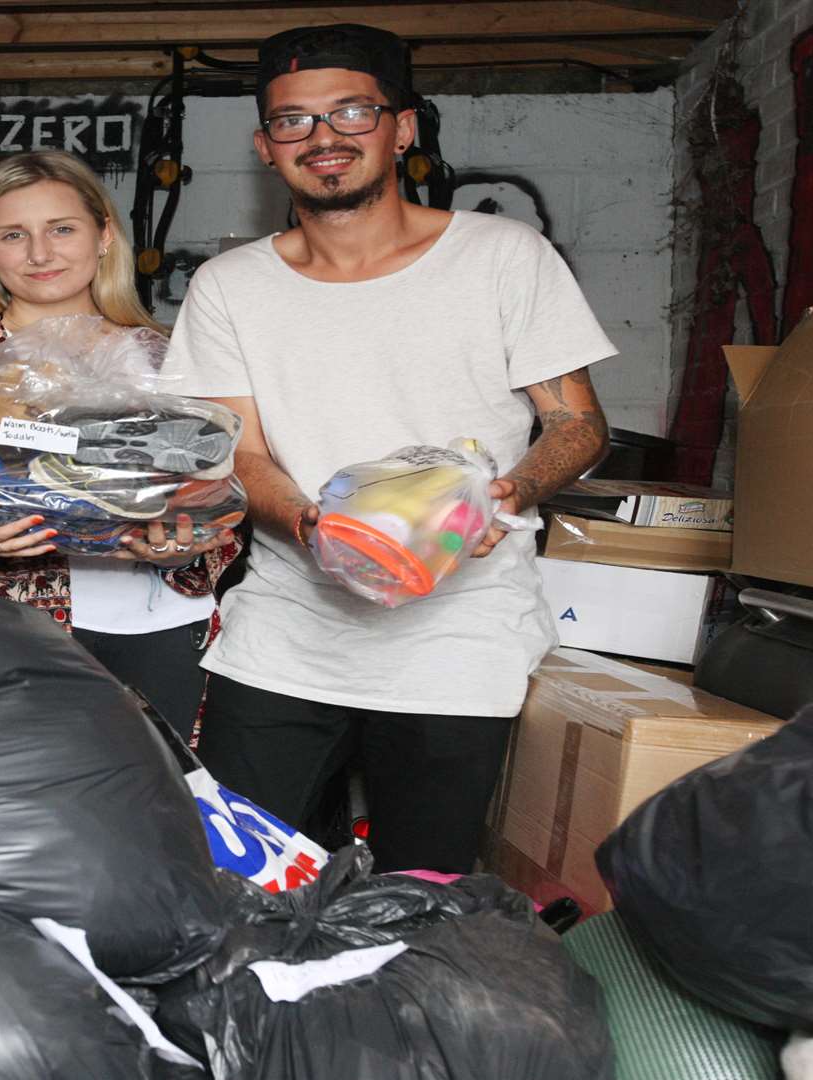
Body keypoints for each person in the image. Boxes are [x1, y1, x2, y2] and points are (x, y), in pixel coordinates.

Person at [167, 24, 614, 873]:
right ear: (267, 147)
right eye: (294, 122)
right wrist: (315, 529)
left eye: (351, 112)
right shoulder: (232, 287)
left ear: (401, 127)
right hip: (288, 633)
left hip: (458, 639)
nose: (324, 138)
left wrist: (501, 499)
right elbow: (236, 451)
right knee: (233, 882)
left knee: (425, 890)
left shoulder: (502, 257)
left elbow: (578, 425)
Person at [0, 151, 241, 742]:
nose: (40, 253)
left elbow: (218, 498)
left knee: (159, 813)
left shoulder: (170, 356)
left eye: (61, 229)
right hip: (5, 629)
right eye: (12, 235)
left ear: (104, 235)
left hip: (161, 628)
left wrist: (184, 549)